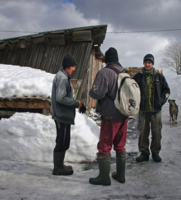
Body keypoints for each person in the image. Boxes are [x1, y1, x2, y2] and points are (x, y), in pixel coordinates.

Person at [89, 47, 129, 186]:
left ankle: (104, 177)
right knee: (120, 145)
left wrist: (92, 91)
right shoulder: (125, 73)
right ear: (117, 59)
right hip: (124, 114)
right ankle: (120, 175)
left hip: (110, 115)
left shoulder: (105, 72)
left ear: (106, 61)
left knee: (105, 146)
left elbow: (97, 93)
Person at [133, 54, 170, 162]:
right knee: (143, 133)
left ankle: (155, 153)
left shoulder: (159, 77)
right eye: (146, 62)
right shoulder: (138, 77)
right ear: (143, 63)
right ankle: (144, 153)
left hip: (155, 111)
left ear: (152, 64)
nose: (147, 64)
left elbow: (166, 90)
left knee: (156, 133)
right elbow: (132, 90)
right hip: (143, 110)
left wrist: (160, 102)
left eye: (149, 62)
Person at [51, 54, 82, 175]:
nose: (74, 69)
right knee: (62, 141)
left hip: (63, 115)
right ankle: (58, 168)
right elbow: (60, 98)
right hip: (61, 115)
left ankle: (60, 165)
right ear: (67, 66)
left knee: (64, 140)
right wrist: (76, 103)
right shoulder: (62, 78)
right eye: (73, 66)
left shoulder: (63, 76)